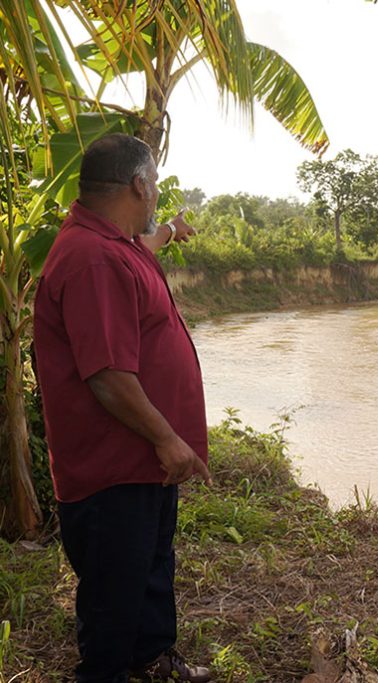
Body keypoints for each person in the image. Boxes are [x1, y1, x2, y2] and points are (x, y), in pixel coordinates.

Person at [33, 133, 212, 683]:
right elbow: (108, 376)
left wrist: (167, 233)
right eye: (154, 185)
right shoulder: (93, 260)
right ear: (139, 184)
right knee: (115, 594)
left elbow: (143, 251)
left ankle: (152, 658)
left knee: (151, 568)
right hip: (116, 468)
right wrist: (166, 438)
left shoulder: (114, 244)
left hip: (139, 465)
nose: (156, 194)